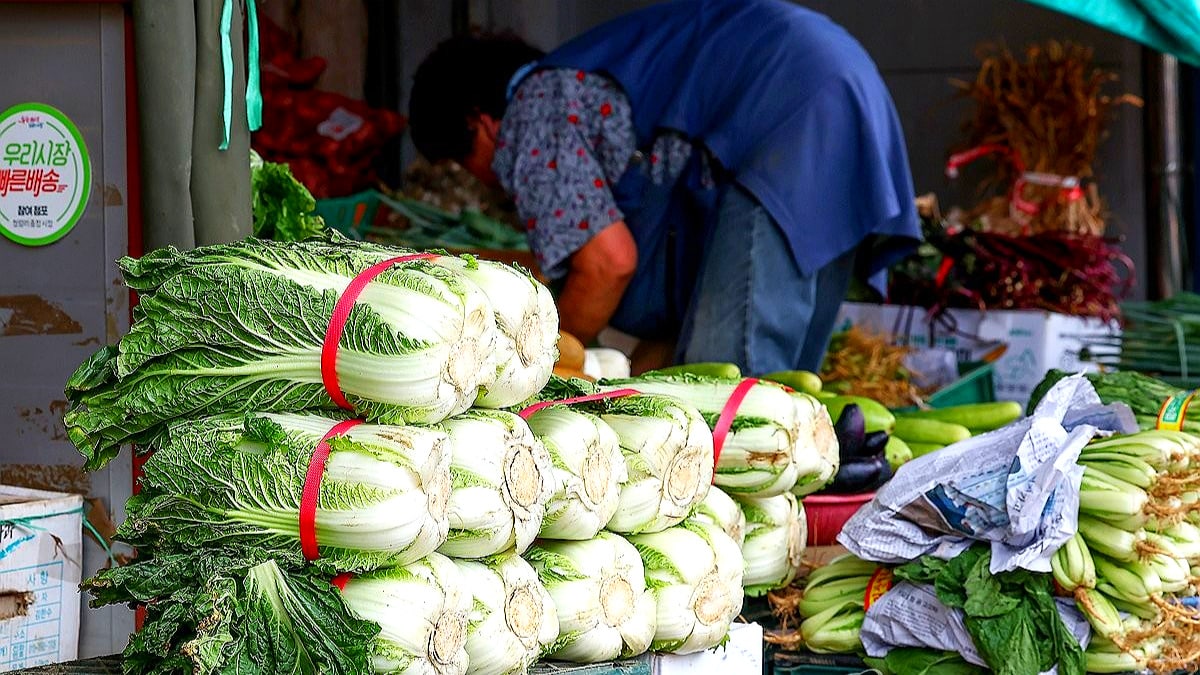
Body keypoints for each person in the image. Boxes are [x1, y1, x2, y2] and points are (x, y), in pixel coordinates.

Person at [409, 0, 921, 375]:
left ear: (480, 124)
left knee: (729, 406)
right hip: (845, 85)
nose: (483, 179)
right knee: (787, 392)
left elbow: (608, 264)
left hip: (788, 105)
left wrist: (535, 362)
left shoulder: (533, 110)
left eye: (462, 163)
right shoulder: (578, 83)